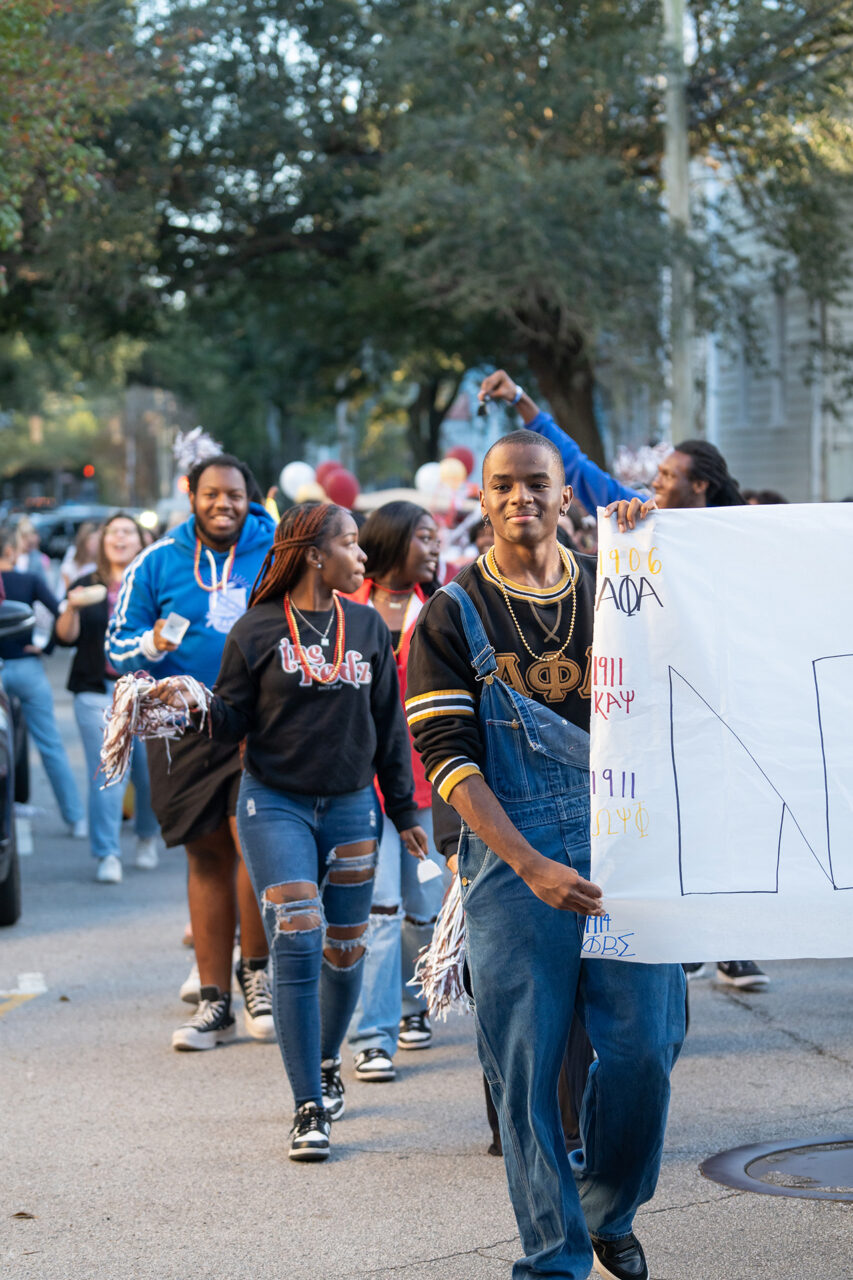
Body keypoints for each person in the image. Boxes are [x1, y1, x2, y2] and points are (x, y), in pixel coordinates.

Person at [406, 428, 685, 1280]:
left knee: (645, 1046)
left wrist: (649, 544)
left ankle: (608, 1207)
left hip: (624, 848)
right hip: (510, 861)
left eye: (537, 483)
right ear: (480, 500)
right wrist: (527, 862)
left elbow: (690, 686)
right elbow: (448, 758)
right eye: (503, 486)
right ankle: (553, 1256)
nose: (520, 498)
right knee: (524, 1075)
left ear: (566, 494)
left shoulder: (616, 589)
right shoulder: (451, 614)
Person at [482, 369, 769, 992]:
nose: (654, 486)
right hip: (660, 707)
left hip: (721, 702)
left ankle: (730, 937)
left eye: (667, 478)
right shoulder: (641, 527)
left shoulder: (743, 540)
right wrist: (527, 405)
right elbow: (581, 473)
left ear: (701, 486)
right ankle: (685, 935)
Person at [156, 501, 426, 1161]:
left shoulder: (362, 626)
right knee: (299, 937)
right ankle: (308, 1104)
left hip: (350, 805)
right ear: (314, 553)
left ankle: (327, 1061)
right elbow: (229, 721)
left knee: (343, 949)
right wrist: (187, 705)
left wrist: (405, 810)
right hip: (273, 802)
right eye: (351, 545)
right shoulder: (253, 630)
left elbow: (390, 727)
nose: (361, 557)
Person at [106, 454, 276, 1049]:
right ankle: (213, 1002)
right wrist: (151, 642)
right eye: (211, 494)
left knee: (251, 845)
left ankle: (257, 979)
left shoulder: (275, 547)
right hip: (178, 728)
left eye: (233, 494)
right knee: (204, 855)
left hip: (260, 722)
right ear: (192, 496)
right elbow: (116, 647)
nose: (222, 504)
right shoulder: (158, 562)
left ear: (247, 497)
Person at [344, 500, 447, 1081]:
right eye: (425, 538)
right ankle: (373, 1035)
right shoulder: (345, 610)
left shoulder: (442, 608)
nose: (435, 548)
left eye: (436, 538)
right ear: (393, 541)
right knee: (379, 912)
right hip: (362, 787)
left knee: (422, 910)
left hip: (429, 786)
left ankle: (414, 1008)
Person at [55, 513, 159, 883]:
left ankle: (147, 836)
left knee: (148, 777)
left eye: (127, 532)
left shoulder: (153, 584)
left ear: (141, 541)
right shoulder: (87, 584)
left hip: (145, 692)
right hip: (95, 692)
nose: (119, 538)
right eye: (112, 532)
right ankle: (107, 853)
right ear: (102, 542)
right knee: (109, 773)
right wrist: (71, 606)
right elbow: (65, 637)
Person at [0, 526, 86, 836]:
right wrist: (46, 646)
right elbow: (61, 614)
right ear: (12, 551)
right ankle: (75, 818)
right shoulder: (29, 580)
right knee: (50, 745)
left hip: (13, 669)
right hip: (27, 666)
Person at [59, 522, 101, 595]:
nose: (95, 544)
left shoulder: (101, 562)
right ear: (84, 540)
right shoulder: (72, 555)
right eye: (92, 540)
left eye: (98, 541)